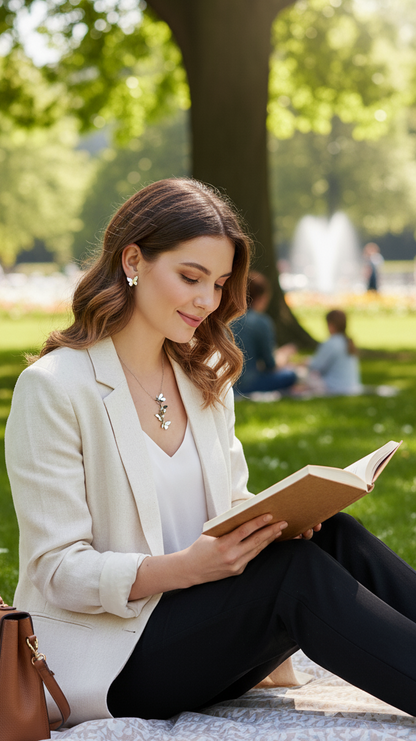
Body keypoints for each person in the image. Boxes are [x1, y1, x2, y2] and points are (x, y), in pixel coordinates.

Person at [5, 178, 416, 726]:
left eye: (219, 283)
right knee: (295, 574)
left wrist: (284, 518)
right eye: (190, 277)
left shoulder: (203, 381)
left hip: (206, 627)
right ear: (133, 260)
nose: (208, 300)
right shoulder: (55, 387)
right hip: (112, 659)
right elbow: (56, 569)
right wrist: (184, 569)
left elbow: (232, 505)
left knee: (335, 535)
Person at [232, 271, 297, 397]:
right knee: (291, 375)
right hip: (248, 384)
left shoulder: (227, 318)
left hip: (225, 383)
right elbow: (270, 364)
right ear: (261, 297)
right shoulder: (261, 321)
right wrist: (283, 355)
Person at [304, 309, 362, 396]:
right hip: (352, 387)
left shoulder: (331, 343)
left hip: (334, 388)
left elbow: (317, 366)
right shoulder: (347, 341)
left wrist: (305, 361)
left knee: (303, 374)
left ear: (331, 325)